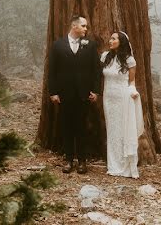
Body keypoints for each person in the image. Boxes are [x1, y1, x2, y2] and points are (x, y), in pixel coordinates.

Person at [47, 14, 101, 174]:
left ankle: (82, 161)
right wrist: (53, 92)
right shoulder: (58, 45)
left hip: (84, 95)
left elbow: (96, 70)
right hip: (64, 95)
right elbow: (52, 71)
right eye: (83, 26)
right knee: (67, 127)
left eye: (86, 26)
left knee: (82, 128)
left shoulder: (90, 45)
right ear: (74, 26)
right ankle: (69, 160)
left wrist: (95, 91)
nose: (86, 29)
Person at [100, 31, 143, 178]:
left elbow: (132, 81)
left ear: (121, 42)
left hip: (122, 98)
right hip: (108, 98)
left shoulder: (129, 60)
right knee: (112, 130)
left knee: (123, 130)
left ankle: (124, 165)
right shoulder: (105, 57)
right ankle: (113, 164)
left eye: (113, 39)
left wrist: (133, 91)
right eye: (110, 38)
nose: (110, 41)